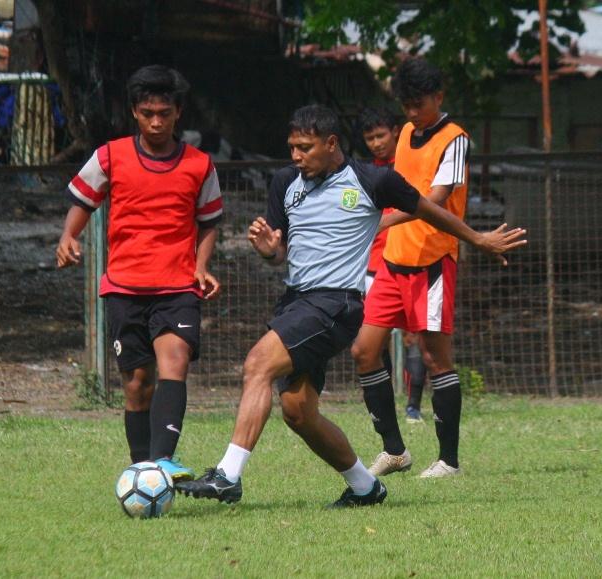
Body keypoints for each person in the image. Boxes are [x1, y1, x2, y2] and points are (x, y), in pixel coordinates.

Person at [176, 104, 525, 508]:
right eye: (291, 147)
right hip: (296, 302)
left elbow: (429, 210)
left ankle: (227, 476)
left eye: (304, 147)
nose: (295, 156)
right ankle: (365, 487)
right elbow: (280, 251)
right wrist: (270, 251)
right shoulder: (286, 182)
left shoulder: (372, 179)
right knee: (298, 412)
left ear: (331, 143)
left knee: (258, 363)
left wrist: (478, 239)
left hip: (336, 304)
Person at [56, 65, 222, 482]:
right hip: (125, 287)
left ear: (177, 113)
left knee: (175, 360)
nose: (156, 121)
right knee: (136, 384)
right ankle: (141, 470)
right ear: (134, 111)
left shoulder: (200, 165)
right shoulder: (110, 156)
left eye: (164, 113)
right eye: (148, 112)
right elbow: (83, 198)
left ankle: (162, 460)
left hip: (178, 285)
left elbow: (209, 222)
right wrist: (68, 236)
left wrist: (201, 266)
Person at [351, 57, 474, 479]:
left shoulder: (455, 138)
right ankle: (395, 451)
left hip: (432, 261)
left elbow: (435, 198)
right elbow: (396, 187)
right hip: (393, 261)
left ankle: (449, 460)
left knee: (436, 358)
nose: (411, 113)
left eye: (418, 104)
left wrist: (387, 219)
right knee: (364, 351)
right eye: (406, 104)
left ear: (438, 97)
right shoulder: (404, 133)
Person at [359, 106, 427, 425]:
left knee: (415, 337)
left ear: (396, 132)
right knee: (375, 337)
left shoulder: (407, 168)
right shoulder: (363, 174)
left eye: (381, 135)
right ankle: (385, 403)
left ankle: (414, 407)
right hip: (373, 265)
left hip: (411, 259)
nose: (376, 143)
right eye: (369, 138)